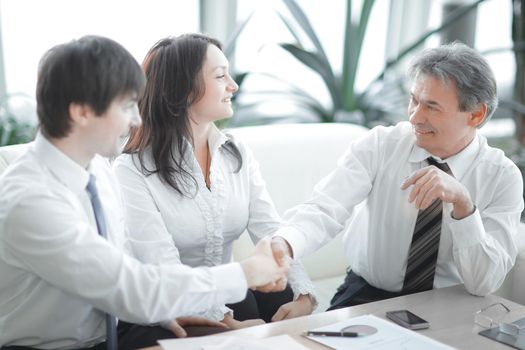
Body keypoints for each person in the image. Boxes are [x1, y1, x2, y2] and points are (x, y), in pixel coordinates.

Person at [0, 35, 288, 350]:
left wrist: (169, 313)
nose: (137, 118)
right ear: (81, 112)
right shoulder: (30, 200)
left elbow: (124, 270)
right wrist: (246, 272)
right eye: (125, 106)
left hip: (114, 332)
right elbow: (131, 287)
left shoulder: (97, 171)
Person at [271, 42, 524, 309]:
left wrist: (464, 205)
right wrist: (285, 243)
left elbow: (484, 283)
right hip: (366, 294)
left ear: (475, 115)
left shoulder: (503, 177)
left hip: (449, 305)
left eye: (431, 107)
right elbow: (325, 208)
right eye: (414, 100)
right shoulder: (381, 145)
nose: (415, 117)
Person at [113, 33, 316, 329]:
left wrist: (304, 295)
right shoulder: (131, 169)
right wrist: (226, 324)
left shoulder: (236, 152)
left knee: (283, 299)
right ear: (183, 90)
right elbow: (164, 269)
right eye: (221, 76)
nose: (233, 86)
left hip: (233, 292)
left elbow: (271, 231)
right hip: (170, 309)